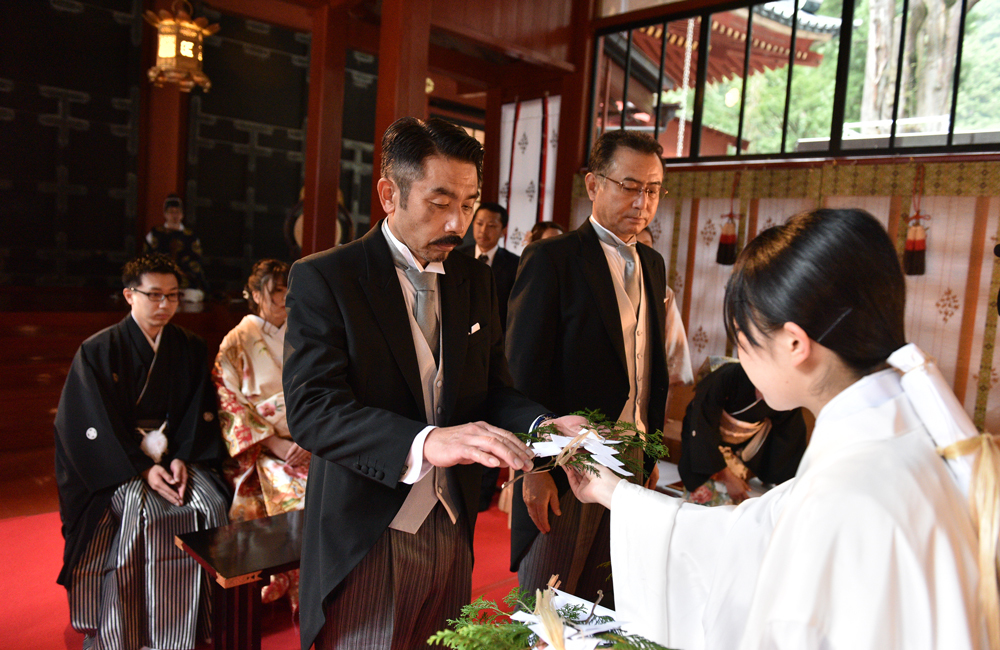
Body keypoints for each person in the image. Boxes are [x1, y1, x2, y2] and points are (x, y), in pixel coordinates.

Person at [567, 208, 993, 650]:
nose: (741, 357)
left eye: (743, 339)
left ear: (794, 343)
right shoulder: (902, 436)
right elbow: (750, 533)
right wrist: (611, 491)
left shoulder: (852, 487)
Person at [282, 116, 583, 650]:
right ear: (388, 194)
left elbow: (492, 388)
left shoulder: (473, 278)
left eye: (468, 204)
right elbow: (314, 408)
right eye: (440, 201)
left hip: (453, 521)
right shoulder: (328, 277)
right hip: (368, 527)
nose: (458, 222)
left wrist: (543, 425)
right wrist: (424, 442)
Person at [505, 129, 672, 608]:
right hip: (567, 459)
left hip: (632, 457)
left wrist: (650, 451)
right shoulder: (553, 259)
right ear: (593, 184)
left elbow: (648, 365)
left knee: (609, 593)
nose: (642, 201)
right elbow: (523, 371)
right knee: (551, 598)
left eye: (653, 189)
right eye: (629, 185)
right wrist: (534, 467)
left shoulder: (653, 264)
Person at [55, 253, 229, 650]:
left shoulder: (188, 346)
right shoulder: (97, 350)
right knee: (140, 512)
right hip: (121, 464)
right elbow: (89, 423)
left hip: (176, 455)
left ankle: (201, 619)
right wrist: (141, 469)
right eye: (154, 295)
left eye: (173, 296)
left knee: (213, 504)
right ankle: (127, 625)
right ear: (129, 295)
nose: (165, 306)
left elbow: (197, 410)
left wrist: (183, 457)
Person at [213, 259, 307, 608]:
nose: (284, 298)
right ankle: (286, 579)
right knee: (295, 493)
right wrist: (276, 444)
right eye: (276, 291)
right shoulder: (236, 341)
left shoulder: (306, 330)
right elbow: (229, 401)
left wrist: (308, 440)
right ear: (255, 294)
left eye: (288, 290)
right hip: (262, 449)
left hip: (309, 441)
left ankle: (327, 583)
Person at [678, 360, 807, 505]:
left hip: (742, 450)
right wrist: (727, 477)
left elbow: (790, 439)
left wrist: (787, 485)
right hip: (705, 447)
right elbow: (701, 424)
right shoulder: (728, 377)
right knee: (705, 500)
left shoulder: (786, 395)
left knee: (742, 505)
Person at [636, 226, 694, 386]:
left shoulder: (663, 292)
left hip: (647, 379)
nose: (640, 250)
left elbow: (674, 346)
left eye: (647, 245)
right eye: (633, 243)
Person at [456, 202, 519, 334]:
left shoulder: (515, 264)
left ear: (503, 231)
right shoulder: (455, 257)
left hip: (496, 333)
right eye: (479, 224)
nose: (483, 230)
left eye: (491, 226)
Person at [143, 193, 209, 299]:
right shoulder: (155, 234)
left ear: (182, 214)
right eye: (171, 212)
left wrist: (183, 271)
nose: (174, 215)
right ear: (165, 214)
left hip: (185, 281)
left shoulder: (190, 236)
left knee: (191, 296)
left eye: (177, 212)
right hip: (159, 279)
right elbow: (146, 258)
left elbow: (196, 261)